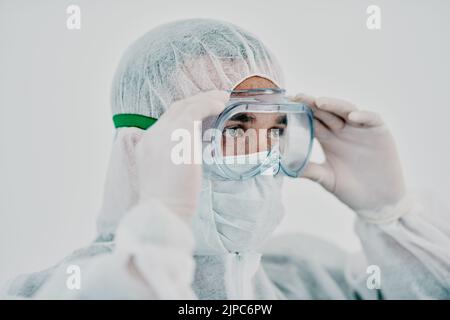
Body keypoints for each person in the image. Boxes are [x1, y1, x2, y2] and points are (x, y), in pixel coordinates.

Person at [3, 18, 450, 299]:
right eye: (233, 127)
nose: (261, 157)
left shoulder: (310, 277)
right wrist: (162, 223)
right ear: (141, 146)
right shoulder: (62, 289)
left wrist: (391, 217)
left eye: (276, 128)